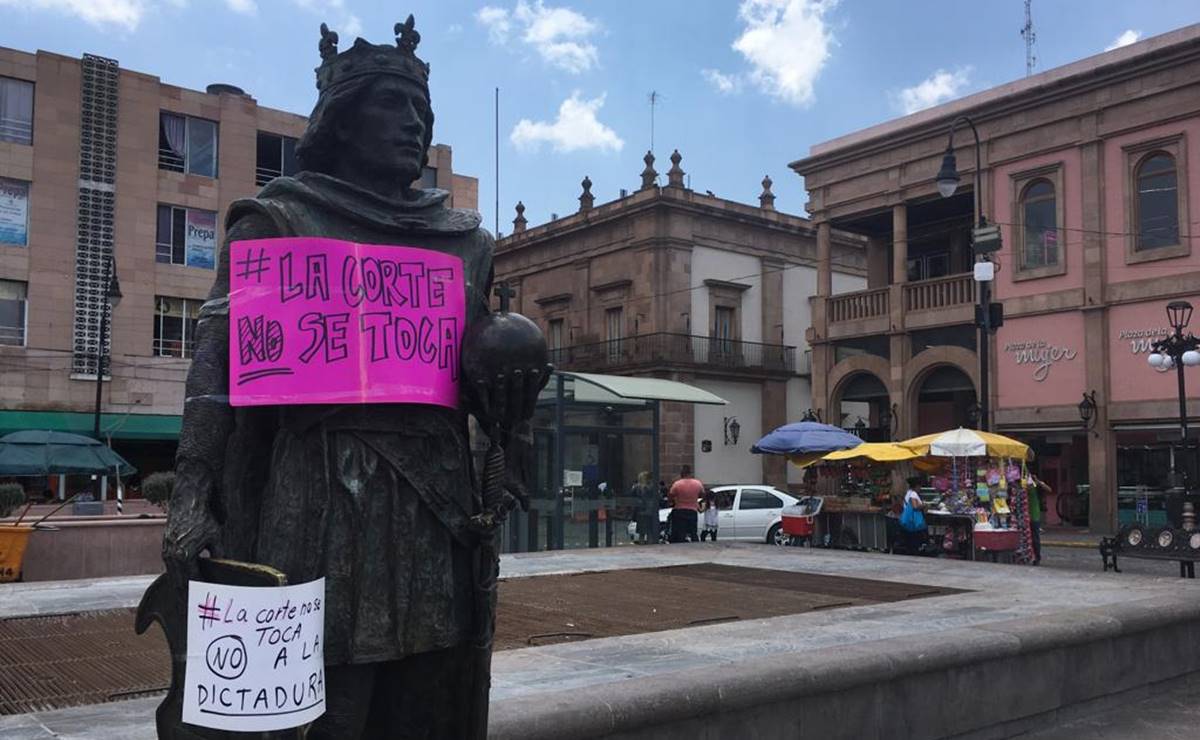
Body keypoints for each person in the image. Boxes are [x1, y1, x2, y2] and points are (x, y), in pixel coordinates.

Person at [160, 17, 547, 739]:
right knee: (320, 706)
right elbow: (215, 373)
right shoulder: (278, 221)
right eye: (392, 107)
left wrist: (512, 417)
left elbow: (482, 381)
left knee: (427, 695)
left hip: (435, 503)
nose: (413, 126)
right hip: (317, 491)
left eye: (422, 114)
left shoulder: (465, 242)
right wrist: (190, 493)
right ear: (340, 120)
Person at [667, 466, 702, 543]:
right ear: (690, 473)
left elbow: (670, 496)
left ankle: (681, 547)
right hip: (692, 510)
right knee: (693, 531)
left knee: (680, 533)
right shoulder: (697, 483)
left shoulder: (677, 484)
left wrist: (673, 501)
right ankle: (695, 545)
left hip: (679, 510)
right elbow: (703, 494)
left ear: (682, 474)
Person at [898, 476, 928, 554]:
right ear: (916, 486)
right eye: (919, 486)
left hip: (908, 518)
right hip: (913, 520)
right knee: (915, 538)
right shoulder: (913, 494)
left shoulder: (908, 493)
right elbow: (915, 507)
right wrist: (924, 505)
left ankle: (911, 550)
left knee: (909, 538)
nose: (920, 488)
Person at [1028, 470, 1052, 565]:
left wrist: (1038, 482)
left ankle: (1037, 557)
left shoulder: (1036, 486)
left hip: (1034, 515)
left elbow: (1049, 489)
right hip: (1024, 514)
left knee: (1035, 537)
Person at [629, 471, 658, 544]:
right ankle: (650, 546)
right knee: (650, 533)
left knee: (641, 533)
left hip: (640, 511)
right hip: (650, 511)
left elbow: (631, 497)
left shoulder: (637, 487)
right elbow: (658, 497)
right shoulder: (652, 487)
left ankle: (642, 545)